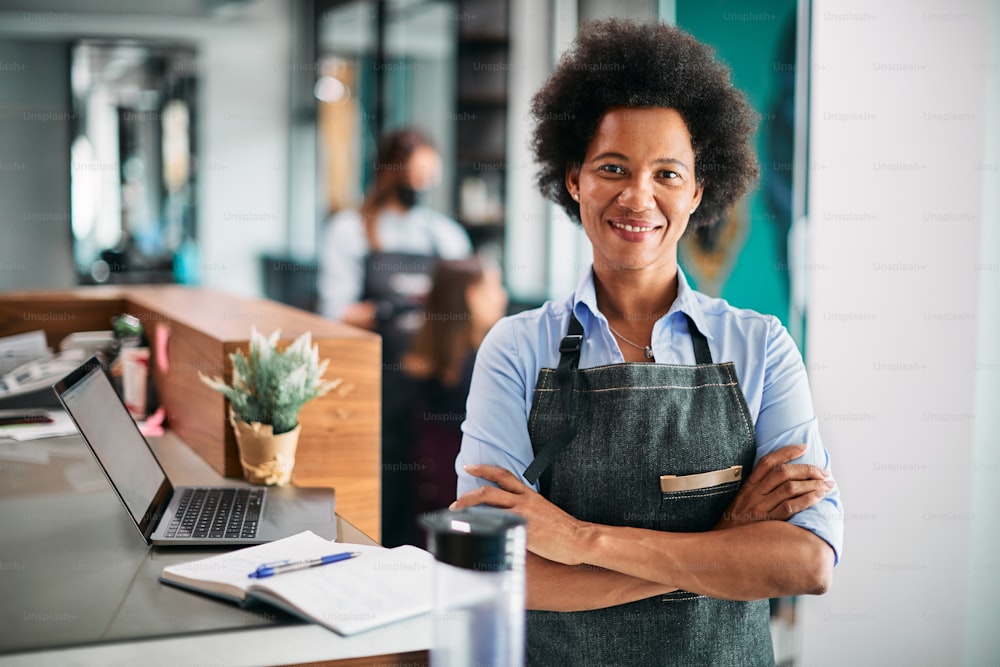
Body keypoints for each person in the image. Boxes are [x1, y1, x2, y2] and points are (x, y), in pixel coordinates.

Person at [450, 19, 843, 666]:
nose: (639, 196)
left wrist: (577, 539)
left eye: (667, 173)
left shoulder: (761, 348)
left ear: (698, 191)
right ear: (573, 178)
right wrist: (723, 543)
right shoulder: (517, 350)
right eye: (613, 167)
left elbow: (804, 561)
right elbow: (487, 565)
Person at [317, 128, 472, 547]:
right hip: (374, 388)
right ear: (389, 172)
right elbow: (336, 313)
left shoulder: (443, 235)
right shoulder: (350, 231)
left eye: (429, 176)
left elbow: (466, 304)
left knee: (431, 483)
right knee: (383, 486)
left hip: (433, 389)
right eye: (414, 175)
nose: (421, 185)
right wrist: (391, 310)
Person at [401, 257, 507, 541]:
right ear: (472, 295)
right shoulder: (480, 369)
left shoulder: (424, 362)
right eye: (495, 287)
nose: (502, 296)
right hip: (462, 514)